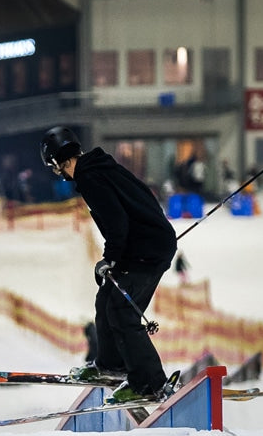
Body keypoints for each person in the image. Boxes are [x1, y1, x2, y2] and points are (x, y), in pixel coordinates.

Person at [40, 126, 179, 405]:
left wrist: (111, 258)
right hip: (144, 246)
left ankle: (149, 383)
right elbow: (141, 200)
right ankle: (110, 365)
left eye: (56, 168)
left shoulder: (90, 177)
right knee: (106, 300)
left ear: (58, 162)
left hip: (145, 250)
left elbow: (117, 223)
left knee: (122, 312)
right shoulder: (101, 166)